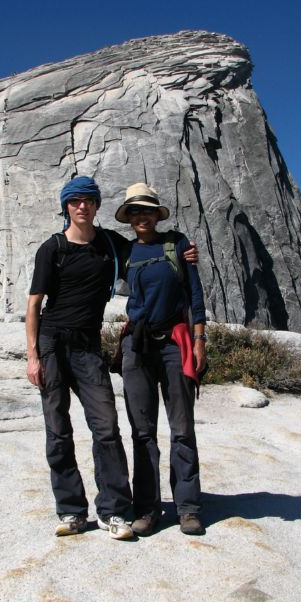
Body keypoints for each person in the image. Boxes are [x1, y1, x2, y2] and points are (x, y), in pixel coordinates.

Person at [26, 176, 136, 540]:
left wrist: (180, 250)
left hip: (88, 346)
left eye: (88, 200)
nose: (82, 206)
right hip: (53, 343)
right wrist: (33, 356)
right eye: (75, 201)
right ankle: (72, 511)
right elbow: (34, 305)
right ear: (66, 207)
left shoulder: (110, 244)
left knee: (106, 426)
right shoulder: (52, 248)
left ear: (97, 205)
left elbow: (147, 253)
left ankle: (114, 510)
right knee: (58, 431)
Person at [114, 182, 207, 536]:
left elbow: (195, 294)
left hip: (174, 342)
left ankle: (187, 507)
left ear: (157, 214)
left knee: (182, 428)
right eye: (135, 211)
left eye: (147, 210)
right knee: (142, 432)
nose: (142, 216)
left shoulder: (178, 244)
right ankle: (148, 509)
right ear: (129, 218)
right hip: (137, 347)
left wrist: (199, 339)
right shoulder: (123, 251)